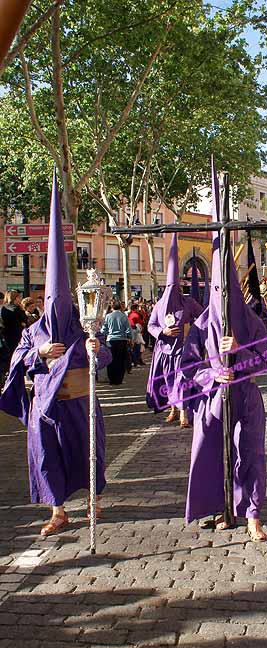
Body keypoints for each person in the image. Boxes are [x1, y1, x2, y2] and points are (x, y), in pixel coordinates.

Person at [0, 171, 111, 536]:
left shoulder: (84, 329)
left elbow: (106, 358)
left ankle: (93, 504)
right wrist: (40, 353)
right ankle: (58, 511)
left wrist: (96, 350)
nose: (57, 309)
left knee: (87, 454)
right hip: (44, 407)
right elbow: (17, 363)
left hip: (80, 403)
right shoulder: (32, 332)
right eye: (52, 303)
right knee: (47, 458)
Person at [182, 159, 267, 541]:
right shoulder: (201, 325)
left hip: (247, 397)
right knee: (213, 453)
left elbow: (265, 357)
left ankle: (251, 513)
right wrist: (213, 373)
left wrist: (242, 353)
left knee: (249, 453)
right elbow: (188, 366)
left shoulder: (249, 320)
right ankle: (220, 507)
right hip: (214, 397)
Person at [146, 233, 203, 428]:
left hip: (183, 352)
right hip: (164, 353)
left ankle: (184, 413)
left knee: (182, 381)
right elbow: (150, 326)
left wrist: (192, 331)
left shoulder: (188, 302)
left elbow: (202, 317)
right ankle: (173, 408)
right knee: (170, 383)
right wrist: (163, 332)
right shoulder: (159, 306)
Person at [102, 299, 132, 385]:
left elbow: (104, 329)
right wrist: (130, 338)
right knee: (121, 360)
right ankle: (119, 380)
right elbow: (128, 329)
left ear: (112, 307)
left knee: (111, 360)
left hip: (110, 340)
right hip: (122, 340)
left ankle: (111, 379)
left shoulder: (108, 316)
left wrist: (104, 337)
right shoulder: (124, 316)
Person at [0, 290, 26, 357]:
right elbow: (24, 319)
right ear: (16, 298)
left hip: (7, 334)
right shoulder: (17, 308)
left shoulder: (3, 308)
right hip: (17, 334)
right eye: (19, 297)